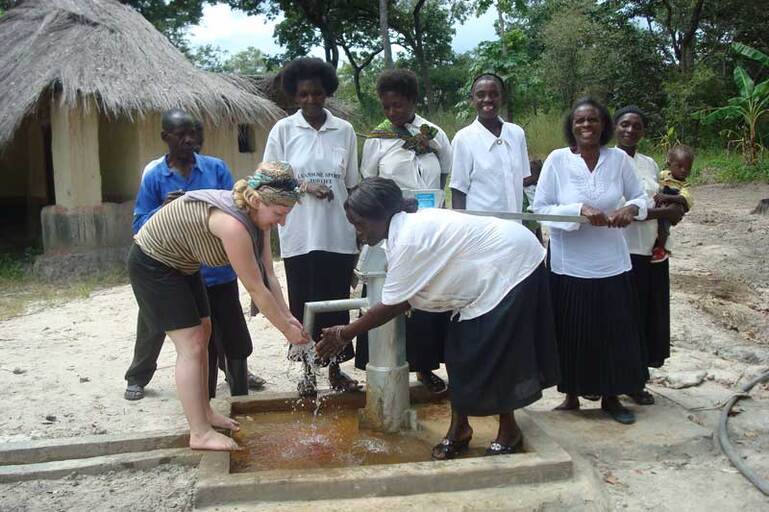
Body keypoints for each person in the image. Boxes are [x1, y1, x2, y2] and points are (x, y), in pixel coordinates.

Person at [317, 177, 559, 459]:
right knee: (460, 355)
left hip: (512, 265)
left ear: (380, 216)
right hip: (487, 275)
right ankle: (460, 429)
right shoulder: (402, 229)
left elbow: (393, 304)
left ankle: (508, 432)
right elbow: (405, 296)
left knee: (495, 353)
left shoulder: (408, 237)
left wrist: (344, 334)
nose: (357, 232)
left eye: (359, 223)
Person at [128, 161, 308, 450]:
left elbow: (269, 276)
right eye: (279, 214)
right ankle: (199, 433)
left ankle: (206, 412)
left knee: (205, 330)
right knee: (192, 345)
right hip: (153, 265)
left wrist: (290, 319)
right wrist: (287, 334)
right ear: (258, 200)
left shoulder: (257, 218)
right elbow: (255, 289)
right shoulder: (233, 225)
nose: (282, 222)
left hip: (182, 265)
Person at [124, 110, 264, 402]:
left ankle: (235, 381)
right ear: (166, 137)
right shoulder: (155, 176)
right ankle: (138, 376)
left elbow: (235, 210)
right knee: (155, 326)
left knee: (227, 333)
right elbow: (139, 225)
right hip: (173, 272)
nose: (189, 140)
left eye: (193, 134)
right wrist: (163, 208)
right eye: (181, 134)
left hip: (216, 271)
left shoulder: (216, 169)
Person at [533, 97, 649, 425]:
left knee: (612, 332)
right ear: (572, 127)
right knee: (572, 332)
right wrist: (578, 210)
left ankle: (611, 398)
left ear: (604, 125)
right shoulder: (557, 161)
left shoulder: (618, 161)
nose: (586, 126)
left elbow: (641, 198)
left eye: (593, 120)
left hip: (611, 263)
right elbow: (541, 207)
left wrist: (630, 209)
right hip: (569, 265)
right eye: (580, 121)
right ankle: (571, 395)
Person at [263, 57, 360, 396]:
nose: (310, 100)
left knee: (336, 304)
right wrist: (303, 186)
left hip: (338, 233)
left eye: (317, 94)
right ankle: (307, 372)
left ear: (327, 93)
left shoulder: (344, 131)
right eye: (303, 95)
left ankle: (335, 371)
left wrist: (360, 234)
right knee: (304, 303)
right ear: (294, 95)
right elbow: (269, 181)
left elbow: (352, 183)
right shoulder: (283, 130)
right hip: (300, 234)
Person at [357, 69, 452, 393]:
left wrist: (430, 203)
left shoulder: (435, 133)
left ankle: (425, 367)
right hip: (389, 231)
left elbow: (445, 174)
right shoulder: (377, 139)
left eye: (398, 105)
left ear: (413, 100)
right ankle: (383, 366)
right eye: (386, 106)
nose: (392, 113)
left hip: (427, 230)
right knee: (389, 294)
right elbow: (368, 181)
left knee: (424, 295)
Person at [614, 106, 685, 405]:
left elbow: (659, 199)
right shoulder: (607, 160)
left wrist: (669, 213)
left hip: (648, 251)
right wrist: (664, 211)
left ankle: (636, 381)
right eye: (625, 125)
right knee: (619, 318)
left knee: (643, 317)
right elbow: (621, 209)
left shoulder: (649, 164)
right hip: (619, 251)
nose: (631, 130)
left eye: (637, 126)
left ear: (643, 131)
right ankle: (609, 380)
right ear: (615, 127)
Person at [450, 73, 531, 214]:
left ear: (502, 98)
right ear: (472, 100)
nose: (487, 100)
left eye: (494, 94)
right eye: (480, 95)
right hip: (481, 230)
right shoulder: (463, 139)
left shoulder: (517, 134)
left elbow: (523, 183)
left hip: (515, 226)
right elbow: (458, 190)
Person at [652, 144, 694, 263]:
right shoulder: (663, 175)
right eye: (679, 166)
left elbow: (684, 199)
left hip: (667, 213)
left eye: (687, 168)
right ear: (670, 163)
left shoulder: (684, 186)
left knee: (663, 227)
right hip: (657, 206)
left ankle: (661, 248)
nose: (683, 170)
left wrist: (667, 197)